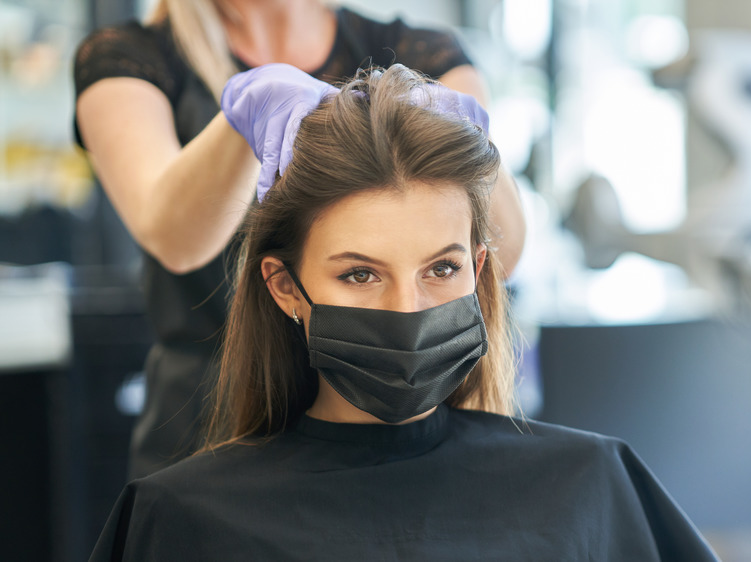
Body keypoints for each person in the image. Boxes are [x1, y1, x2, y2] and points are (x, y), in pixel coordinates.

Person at [88, 64, 718, 561]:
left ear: (477, 270)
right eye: (360, 274)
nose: (406, 309)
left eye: (441, 269)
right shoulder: (184, 518)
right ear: (284, 287)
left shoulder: (587, 484)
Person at [73, 0, 525, 478]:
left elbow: (503, 251)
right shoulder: (129, 58)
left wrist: (472, 145)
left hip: (414, 413)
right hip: (214, 419)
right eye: (359, 272)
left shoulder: (423, 53)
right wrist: (241, 122)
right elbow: (172, 239)